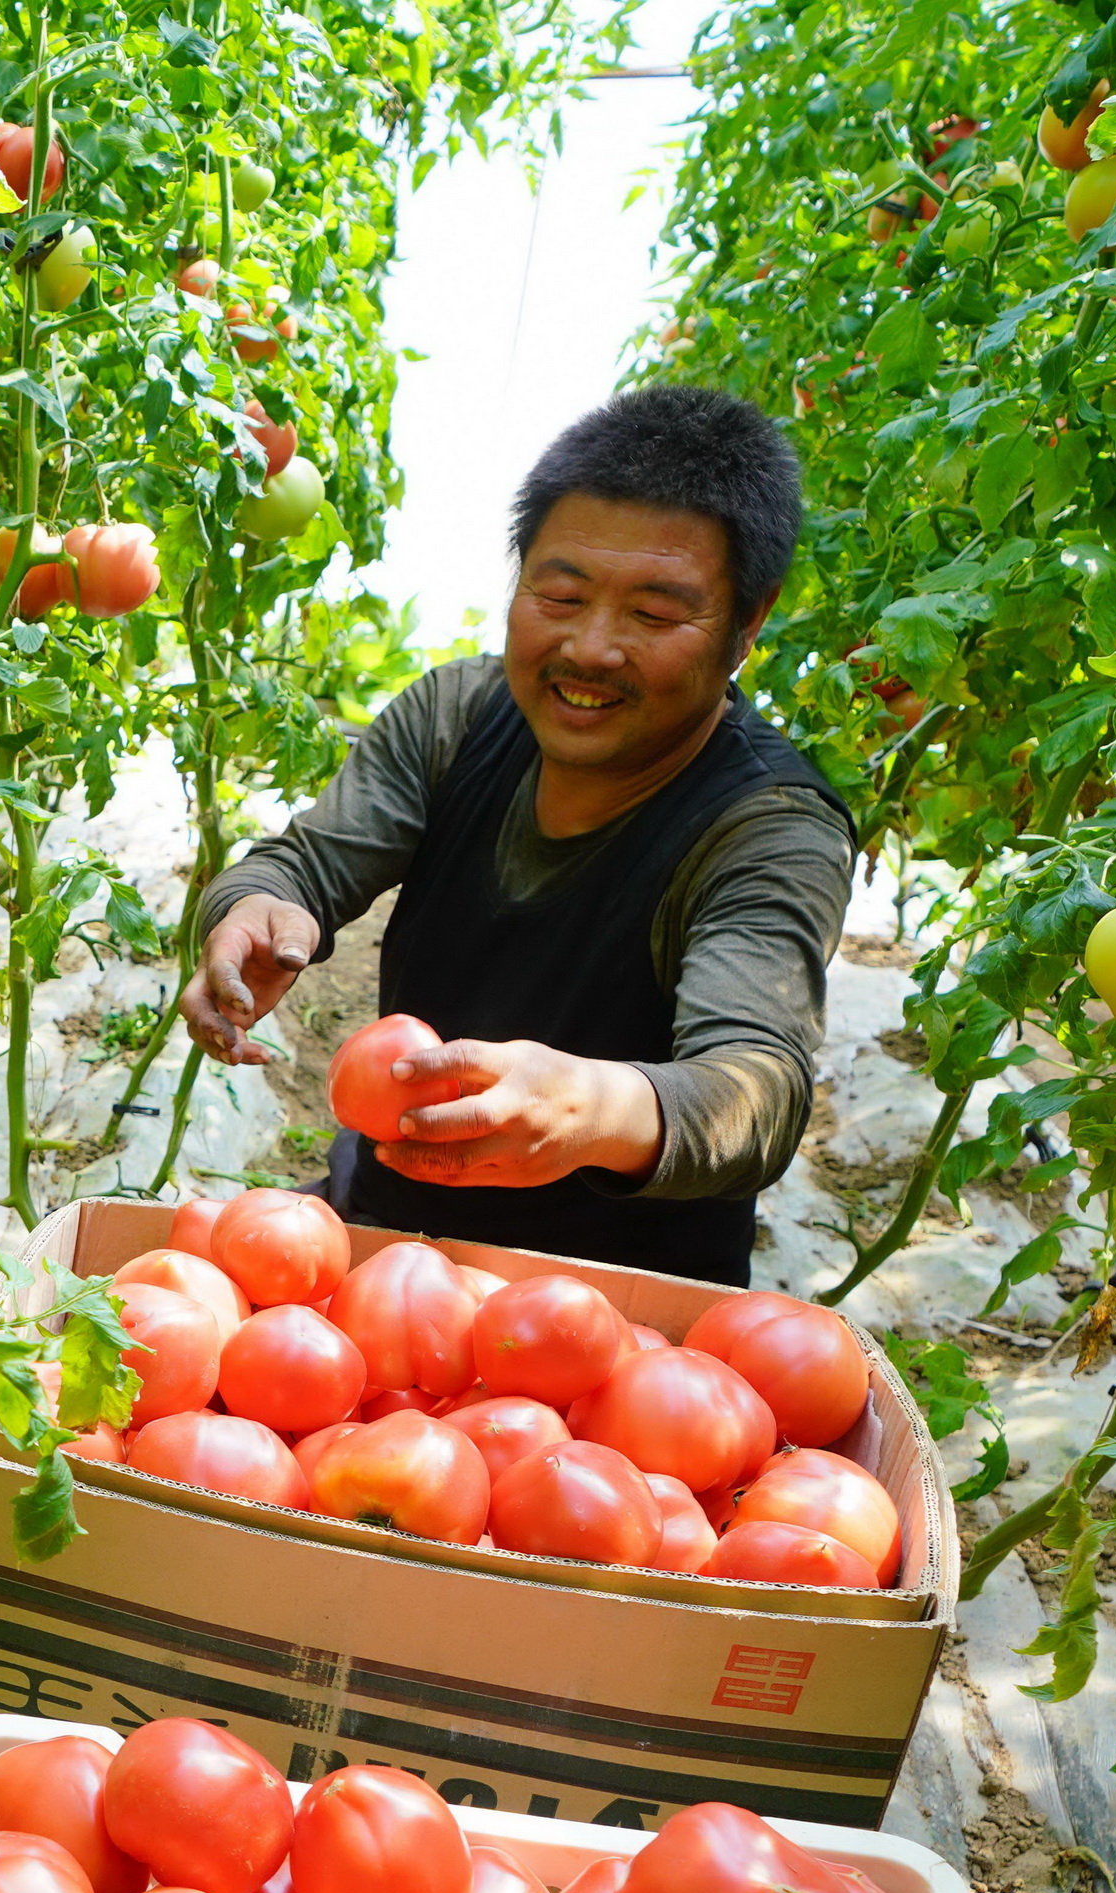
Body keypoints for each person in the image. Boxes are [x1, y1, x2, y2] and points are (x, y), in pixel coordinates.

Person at [177, 385, 854, 1287]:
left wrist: (600, 1106)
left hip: (609, 1308)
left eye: (654, 616)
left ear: (747, 623)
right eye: (561, 594)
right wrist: (258, 909)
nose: (592, 648)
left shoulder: (766, 828)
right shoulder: (456, 716)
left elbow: (756, 1090)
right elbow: (306, 863)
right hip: (395, 1249)